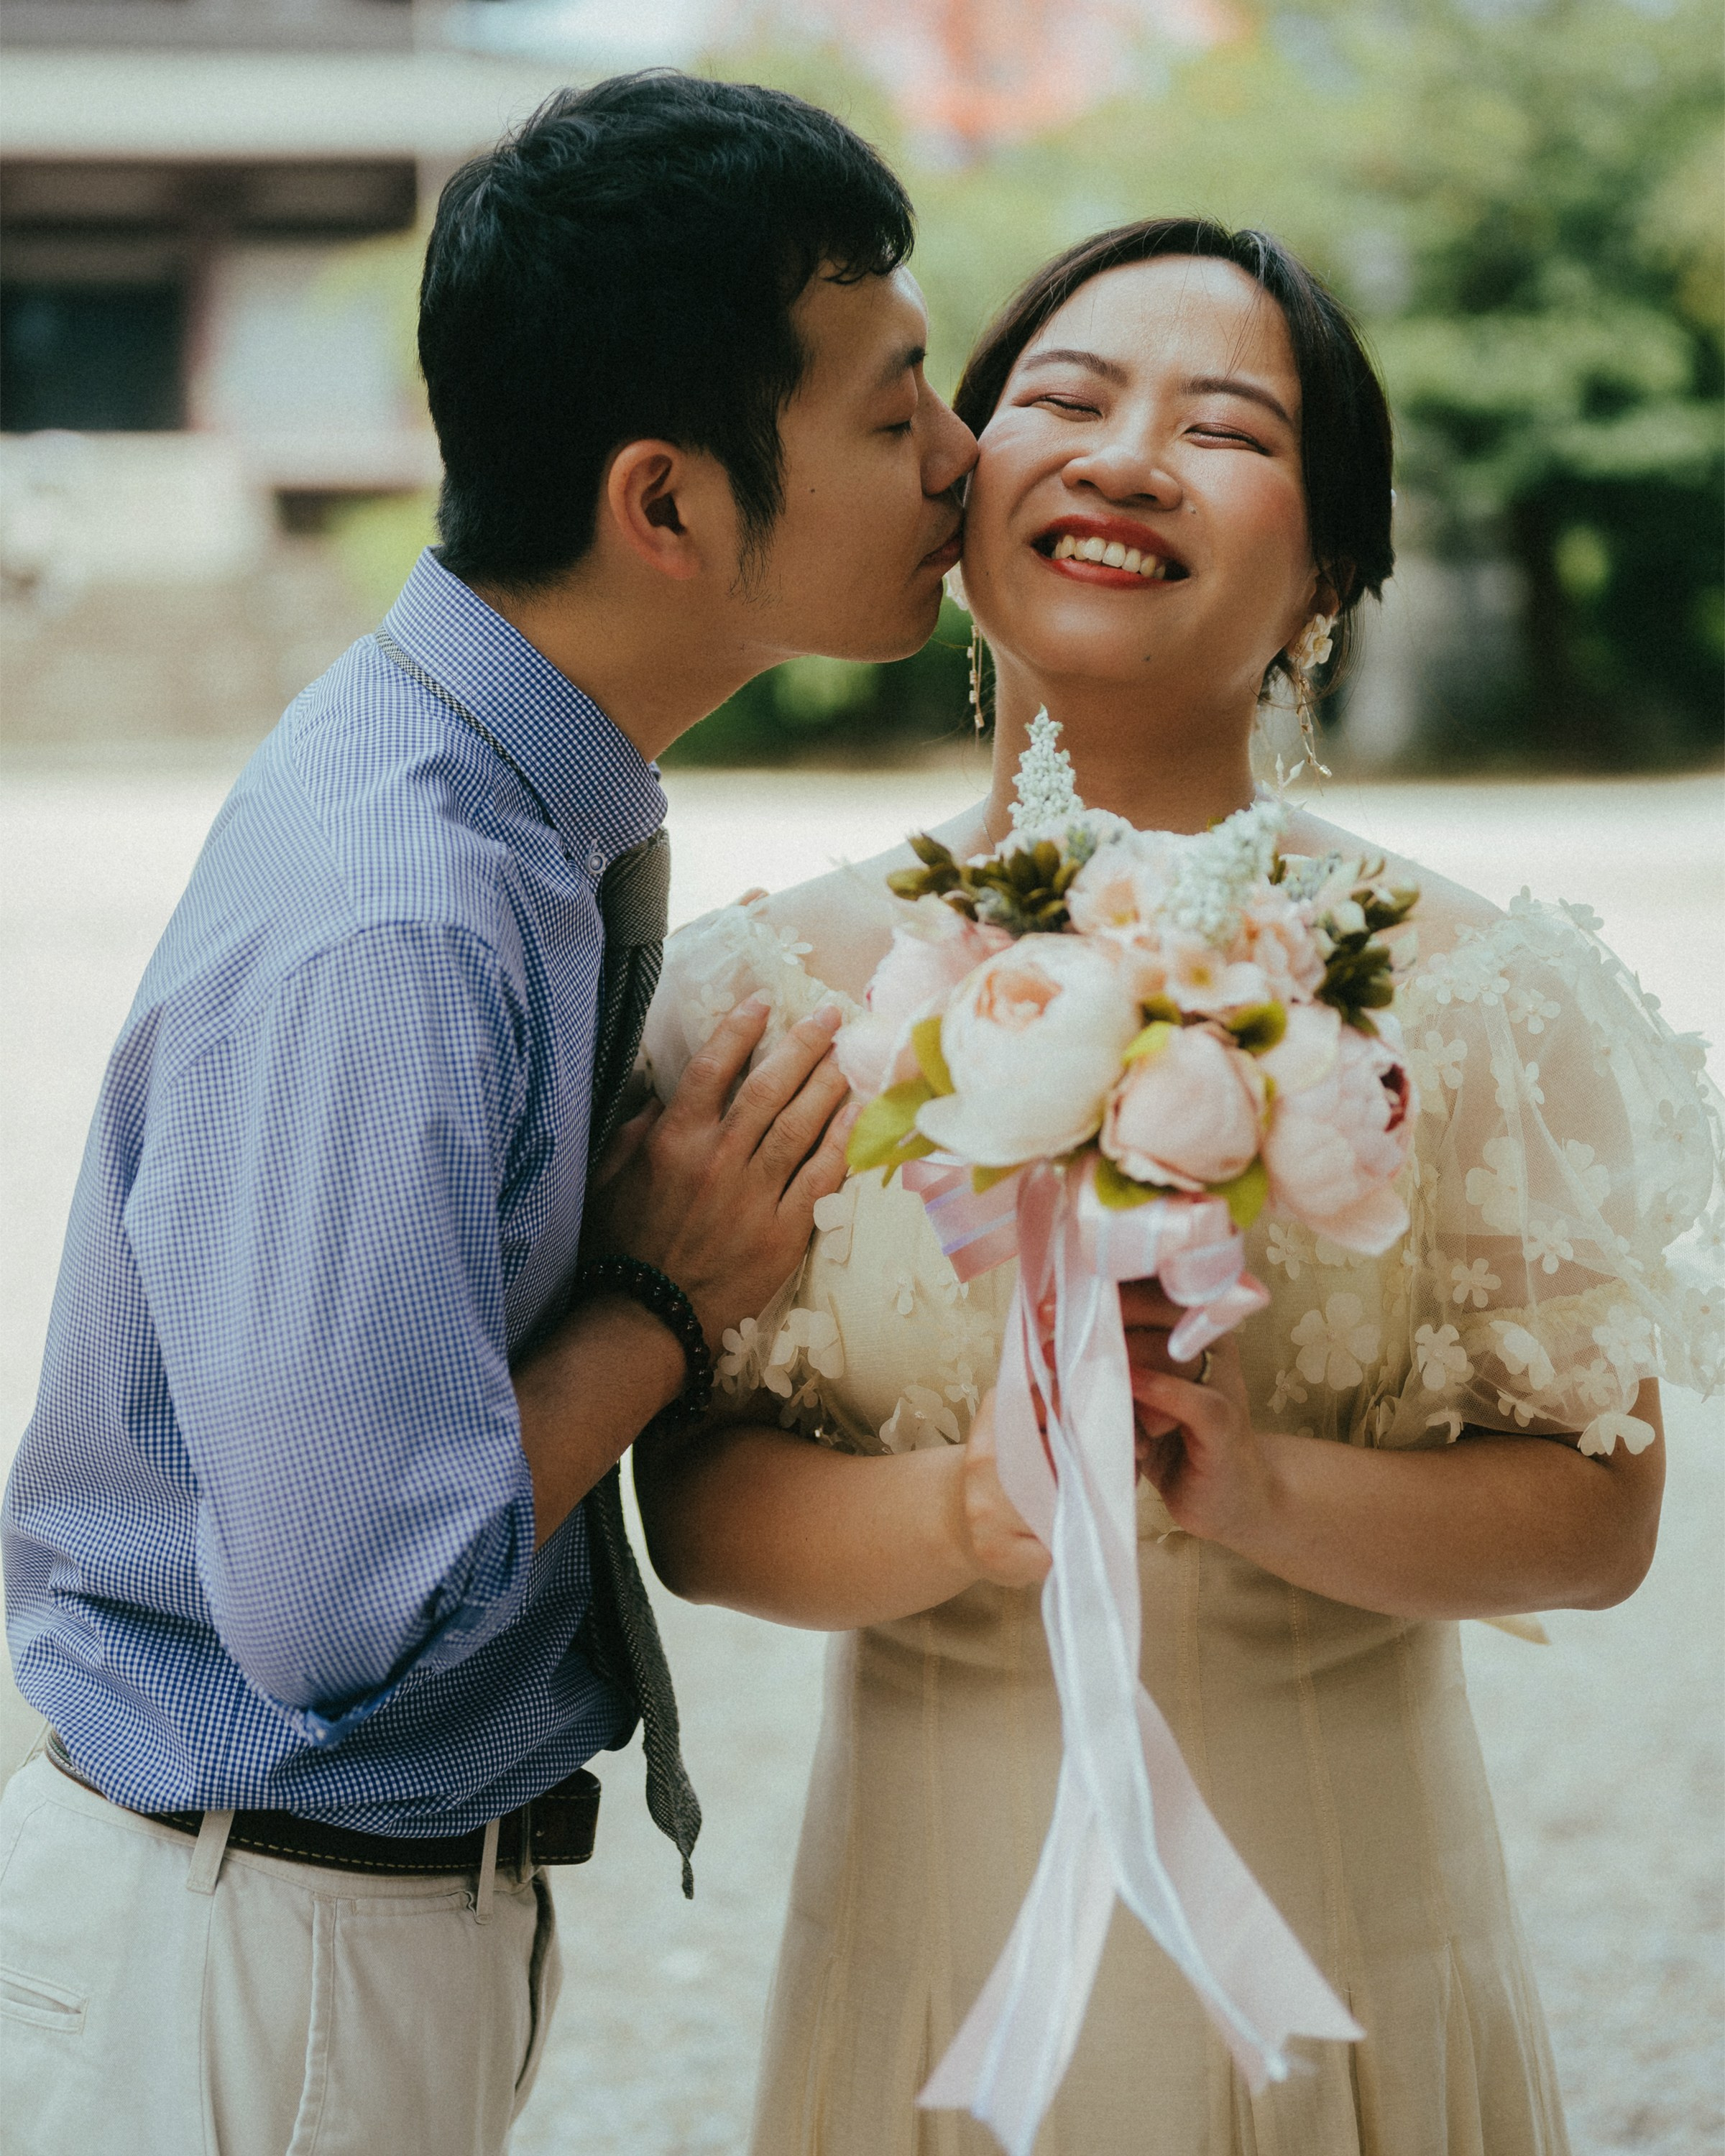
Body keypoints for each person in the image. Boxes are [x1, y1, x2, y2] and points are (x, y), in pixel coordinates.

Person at [634, 217, 1725, 2155]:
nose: (1127, 457)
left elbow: (1598, 1518)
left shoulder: (1470, 992)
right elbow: (697, 1505)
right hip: (923, 1958)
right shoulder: (767, 998)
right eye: (1062, 399)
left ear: (1327, 572)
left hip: (1353, 1952)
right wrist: (977, 1510)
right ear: (963, 494)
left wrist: (1261, 1487)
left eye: (1224, 428)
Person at [0, 73, 976, 2156]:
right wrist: (667, 1289)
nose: (962, 467)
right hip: (251, 1955)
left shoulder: (511, 792)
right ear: (666, 502)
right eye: (896, 420)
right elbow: (336, 1601)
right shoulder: (401, 914)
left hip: (338, 1925)